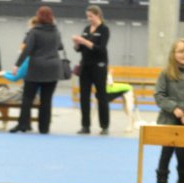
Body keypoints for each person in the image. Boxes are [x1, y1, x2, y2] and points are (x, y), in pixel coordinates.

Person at [153, 38, 184, 183]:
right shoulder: (165, 74)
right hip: (168, 119)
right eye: (181, 51)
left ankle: (182, 182)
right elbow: (159, 95)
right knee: (166, 151)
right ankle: (161, 182)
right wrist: (173, 108)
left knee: (182, 152)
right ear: (173, 54)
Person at [10, 6, 63, 134]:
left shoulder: (34, 31)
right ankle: (44, 128)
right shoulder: (56, 31)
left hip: (36, 68)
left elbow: (27, 49)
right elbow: (60, 47)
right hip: (53, 67)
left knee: (27, 97)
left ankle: (23, 125)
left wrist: (17, 65)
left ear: (39, 17)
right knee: (46, 100)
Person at [72, 5, 111, 135]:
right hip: (85, 66)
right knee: (84, 96)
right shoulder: (86, 29)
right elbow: (79, 49)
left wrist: (84, 41)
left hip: (99, 66)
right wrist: (77, 43)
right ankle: (85, 125)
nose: (89, 19)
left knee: (101, 95)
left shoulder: (104, 29)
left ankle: (104, 126)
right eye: (87, 16)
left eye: (91, 16)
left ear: (98, 15)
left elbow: (100, 48)